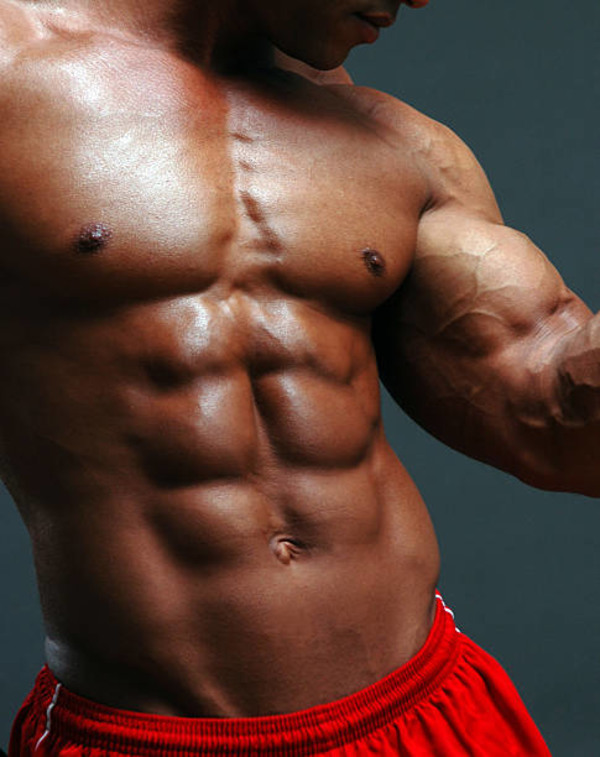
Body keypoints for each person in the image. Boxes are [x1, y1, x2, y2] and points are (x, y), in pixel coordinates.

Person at [1, 0, 596, 754]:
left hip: (428, 713)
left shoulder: (392, 142)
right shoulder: (12, 74)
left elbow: (557, 423)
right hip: (151, 735)